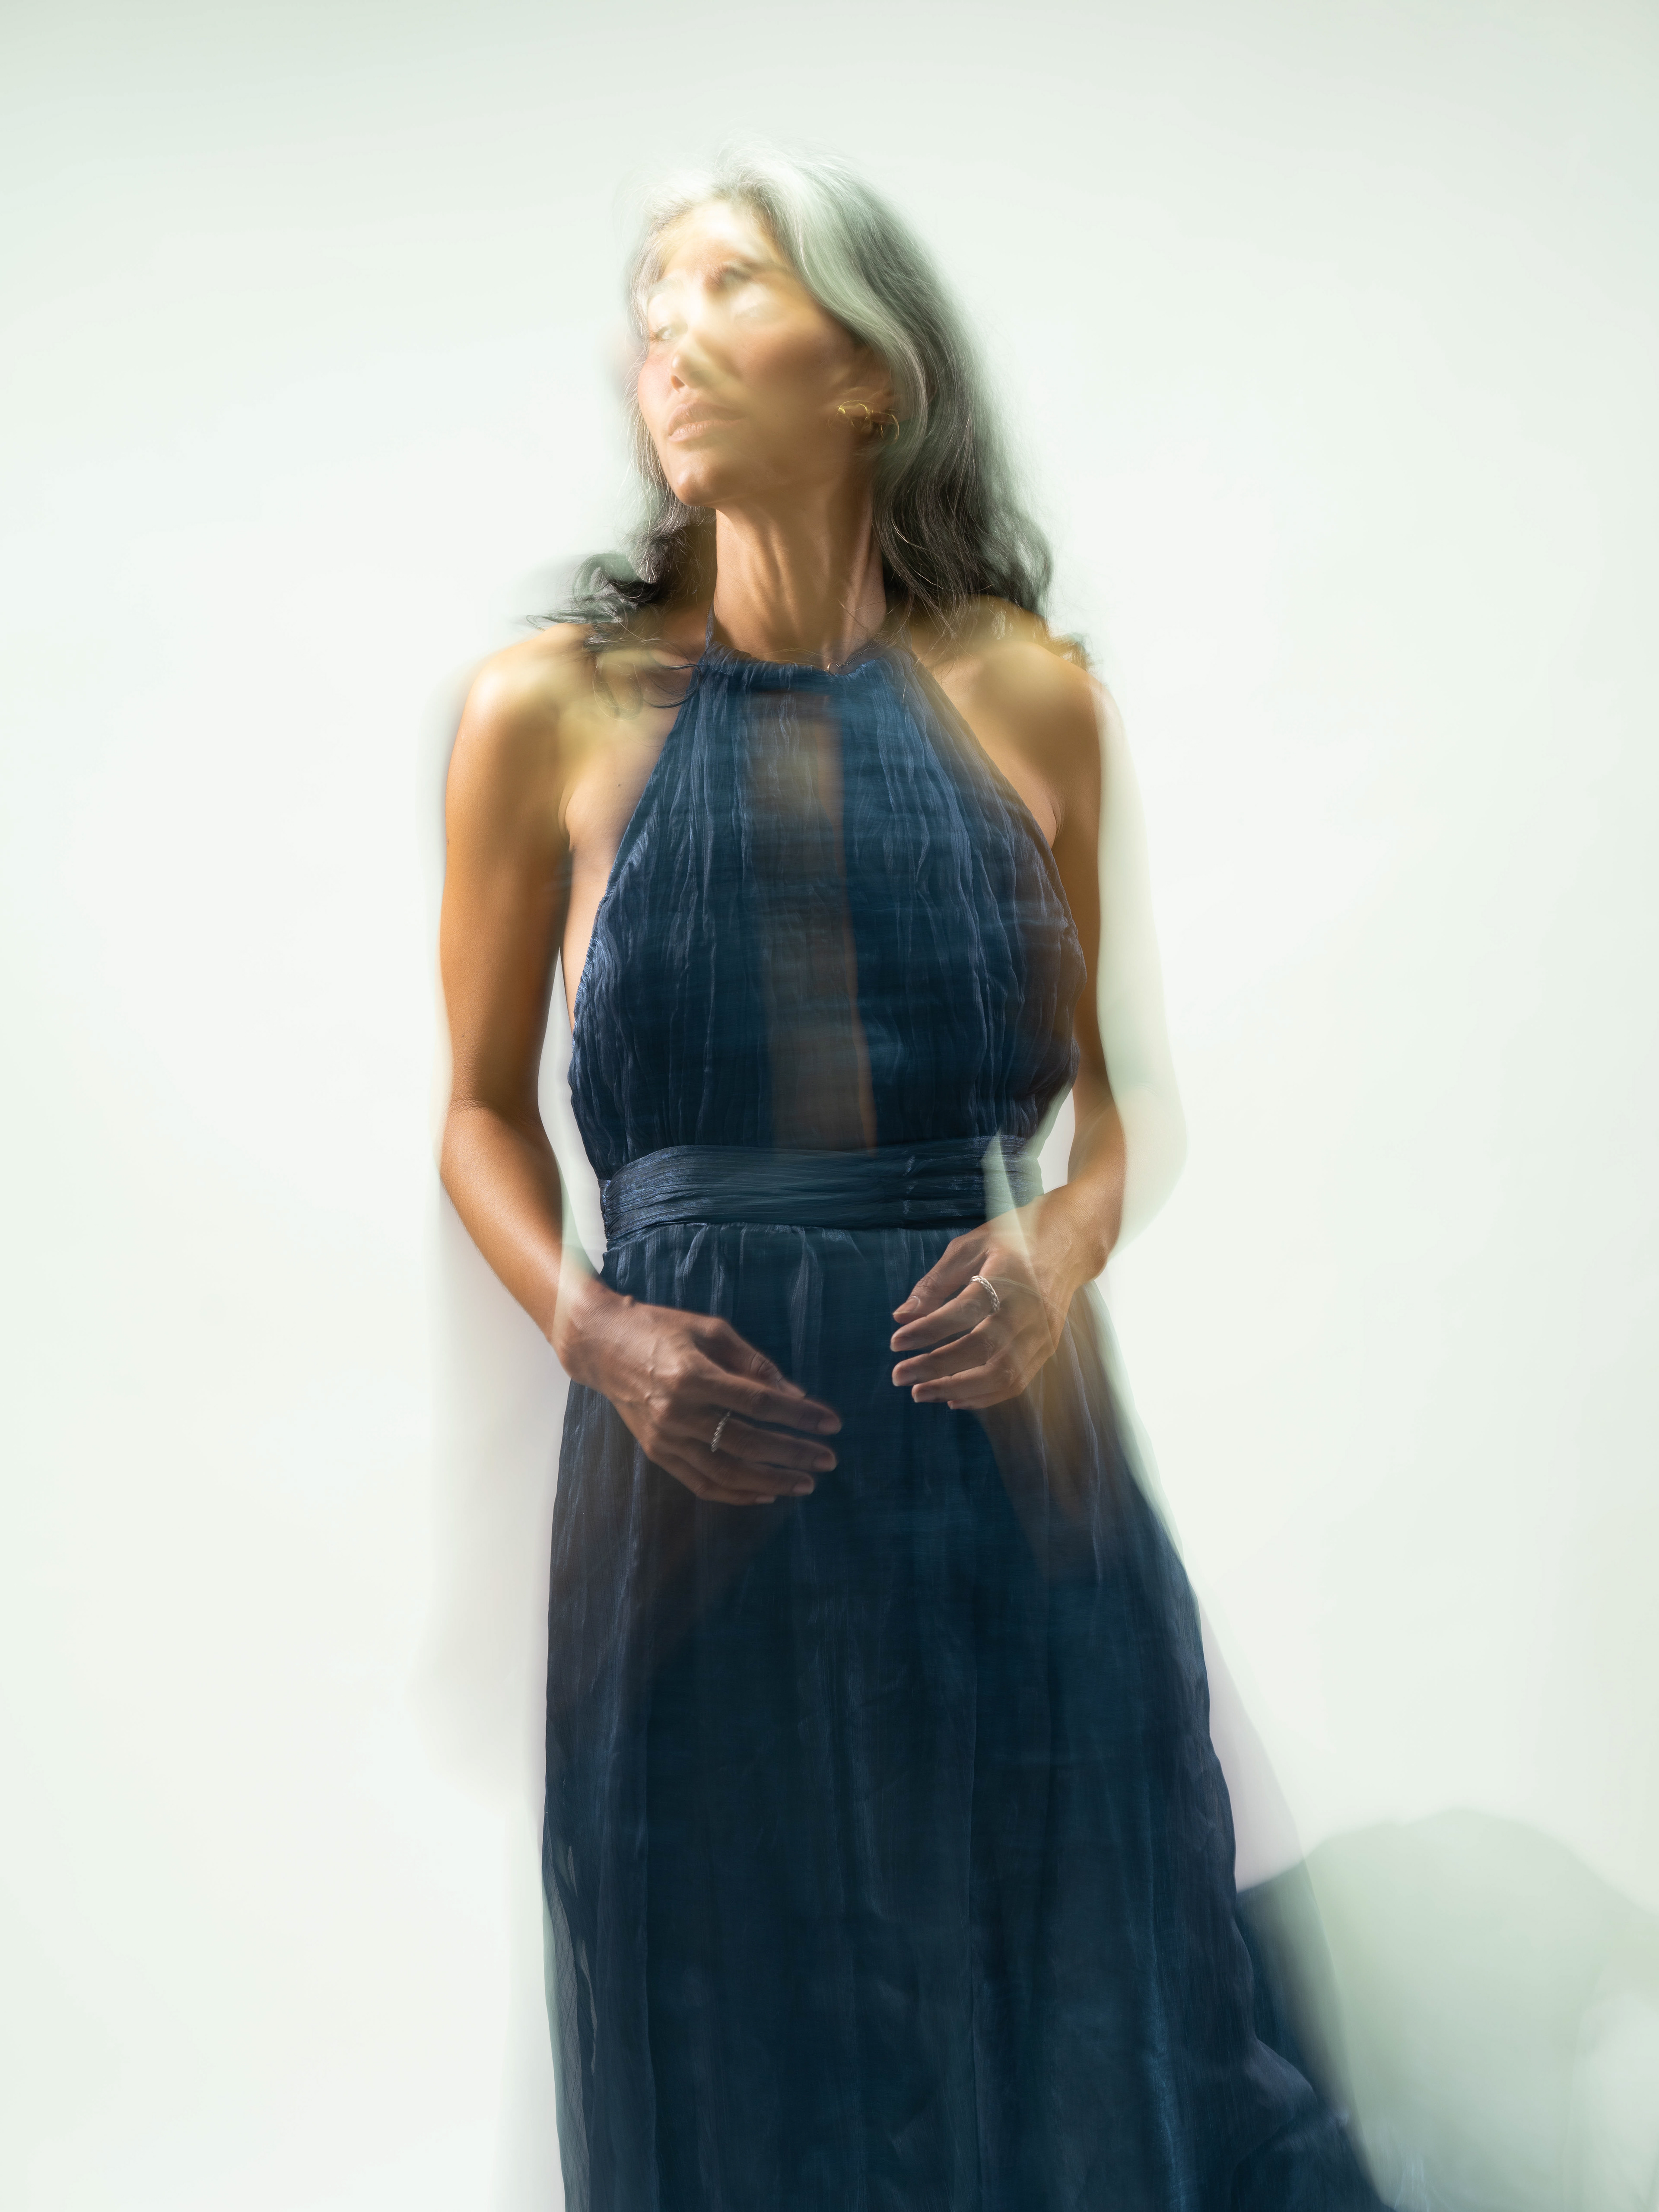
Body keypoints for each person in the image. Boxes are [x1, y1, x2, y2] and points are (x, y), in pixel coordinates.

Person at [438, 145, 1378, 2212]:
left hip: (1008, 1462)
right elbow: (478, 1114)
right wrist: (595, 1332)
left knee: (1071, 1976)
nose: (667, 331)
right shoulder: (546, 714)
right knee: (719, 2001)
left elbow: (1117, 1103)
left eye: (726, 281)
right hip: (695, 1483)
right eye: (651, 301)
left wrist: (1060, 1241)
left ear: (868, 370)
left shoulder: (1034, 696)